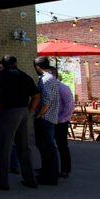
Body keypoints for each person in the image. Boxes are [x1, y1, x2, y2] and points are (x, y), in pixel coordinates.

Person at [0, 55, 40, 190]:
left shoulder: (0, 75)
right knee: (24, 146)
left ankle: (2, 182)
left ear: (3, 65)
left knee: (3, 146)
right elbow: (37, 95)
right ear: (16, 63)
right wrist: (30, 111)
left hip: (8, 112)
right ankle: (30, 179)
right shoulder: (25, 76)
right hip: (23, 112)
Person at [33, 57, 60, 186]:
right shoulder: (51, 78)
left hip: (46, 118)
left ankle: (51, 176)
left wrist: (39, 114)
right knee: (44, 146)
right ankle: (46, 172)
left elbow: (47, 101)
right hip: (49, 117)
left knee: (48, 147)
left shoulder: (46, 79)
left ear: (38, 66)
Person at [52, 67, 74, 178]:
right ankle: (50, 167)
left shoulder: (63, 88)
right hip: (50, 120)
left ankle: (65, 169)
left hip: (60, 122)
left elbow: (69, 105)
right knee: (49, 145)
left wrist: (62, 119)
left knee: (62, 146)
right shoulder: (48, 87)